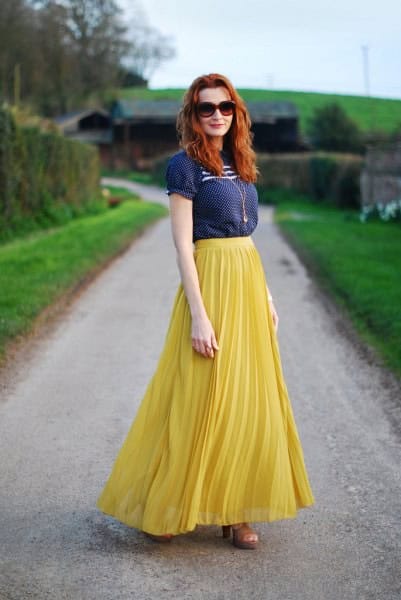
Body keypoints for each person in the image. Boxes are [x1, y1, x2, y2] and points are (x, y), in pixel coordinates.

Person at [97, 73, 314, 550]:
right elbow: (182, 246)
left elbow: (248, 237)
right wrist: (199, 314)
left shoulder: (243, 162)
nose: (216, 114)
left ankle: (236, 513)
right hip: (209, 283)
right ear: (192, 116)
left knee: (245, 397)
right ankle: (171, 502)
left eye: (225, 107)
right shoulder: (184, 167)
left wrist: (269, 297)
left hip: (247, 283)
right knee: (196, 393)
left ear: (236, 113)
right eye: (205, 108)